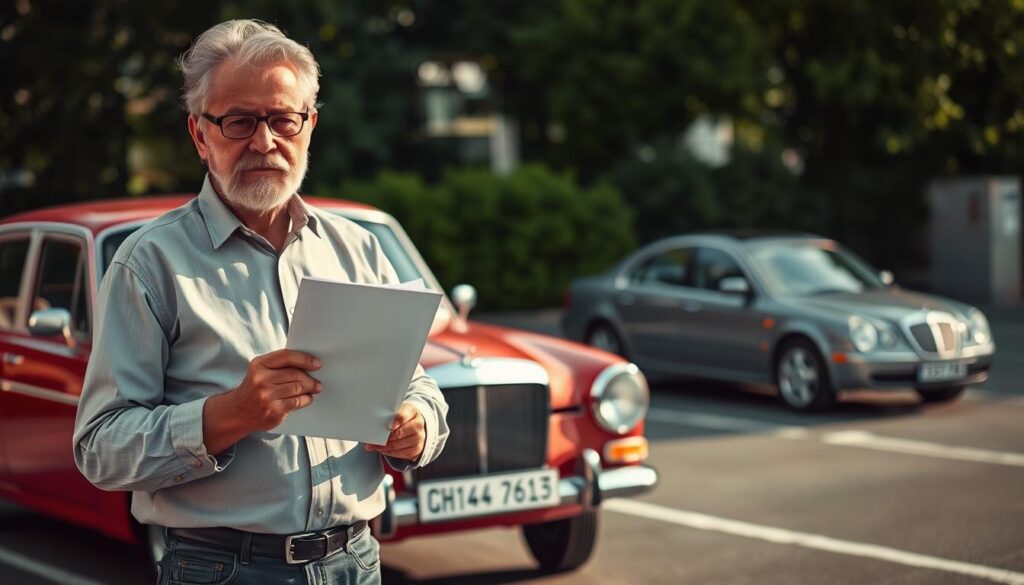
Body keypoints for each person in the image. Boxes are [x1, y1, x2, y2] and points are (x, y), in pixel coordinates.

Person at [72, 19, 449, 585]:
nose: (265, 142)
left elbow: (415, 384)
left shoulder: (357, 247)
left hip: (356, 562)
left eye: (282, 119)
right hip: (220, 568)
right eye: (240, 121)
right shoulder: (149, 263)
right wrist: (228, 416)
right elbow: (100, 448)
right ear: (201, 135)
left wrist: (415, 427)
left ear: (309, 126)